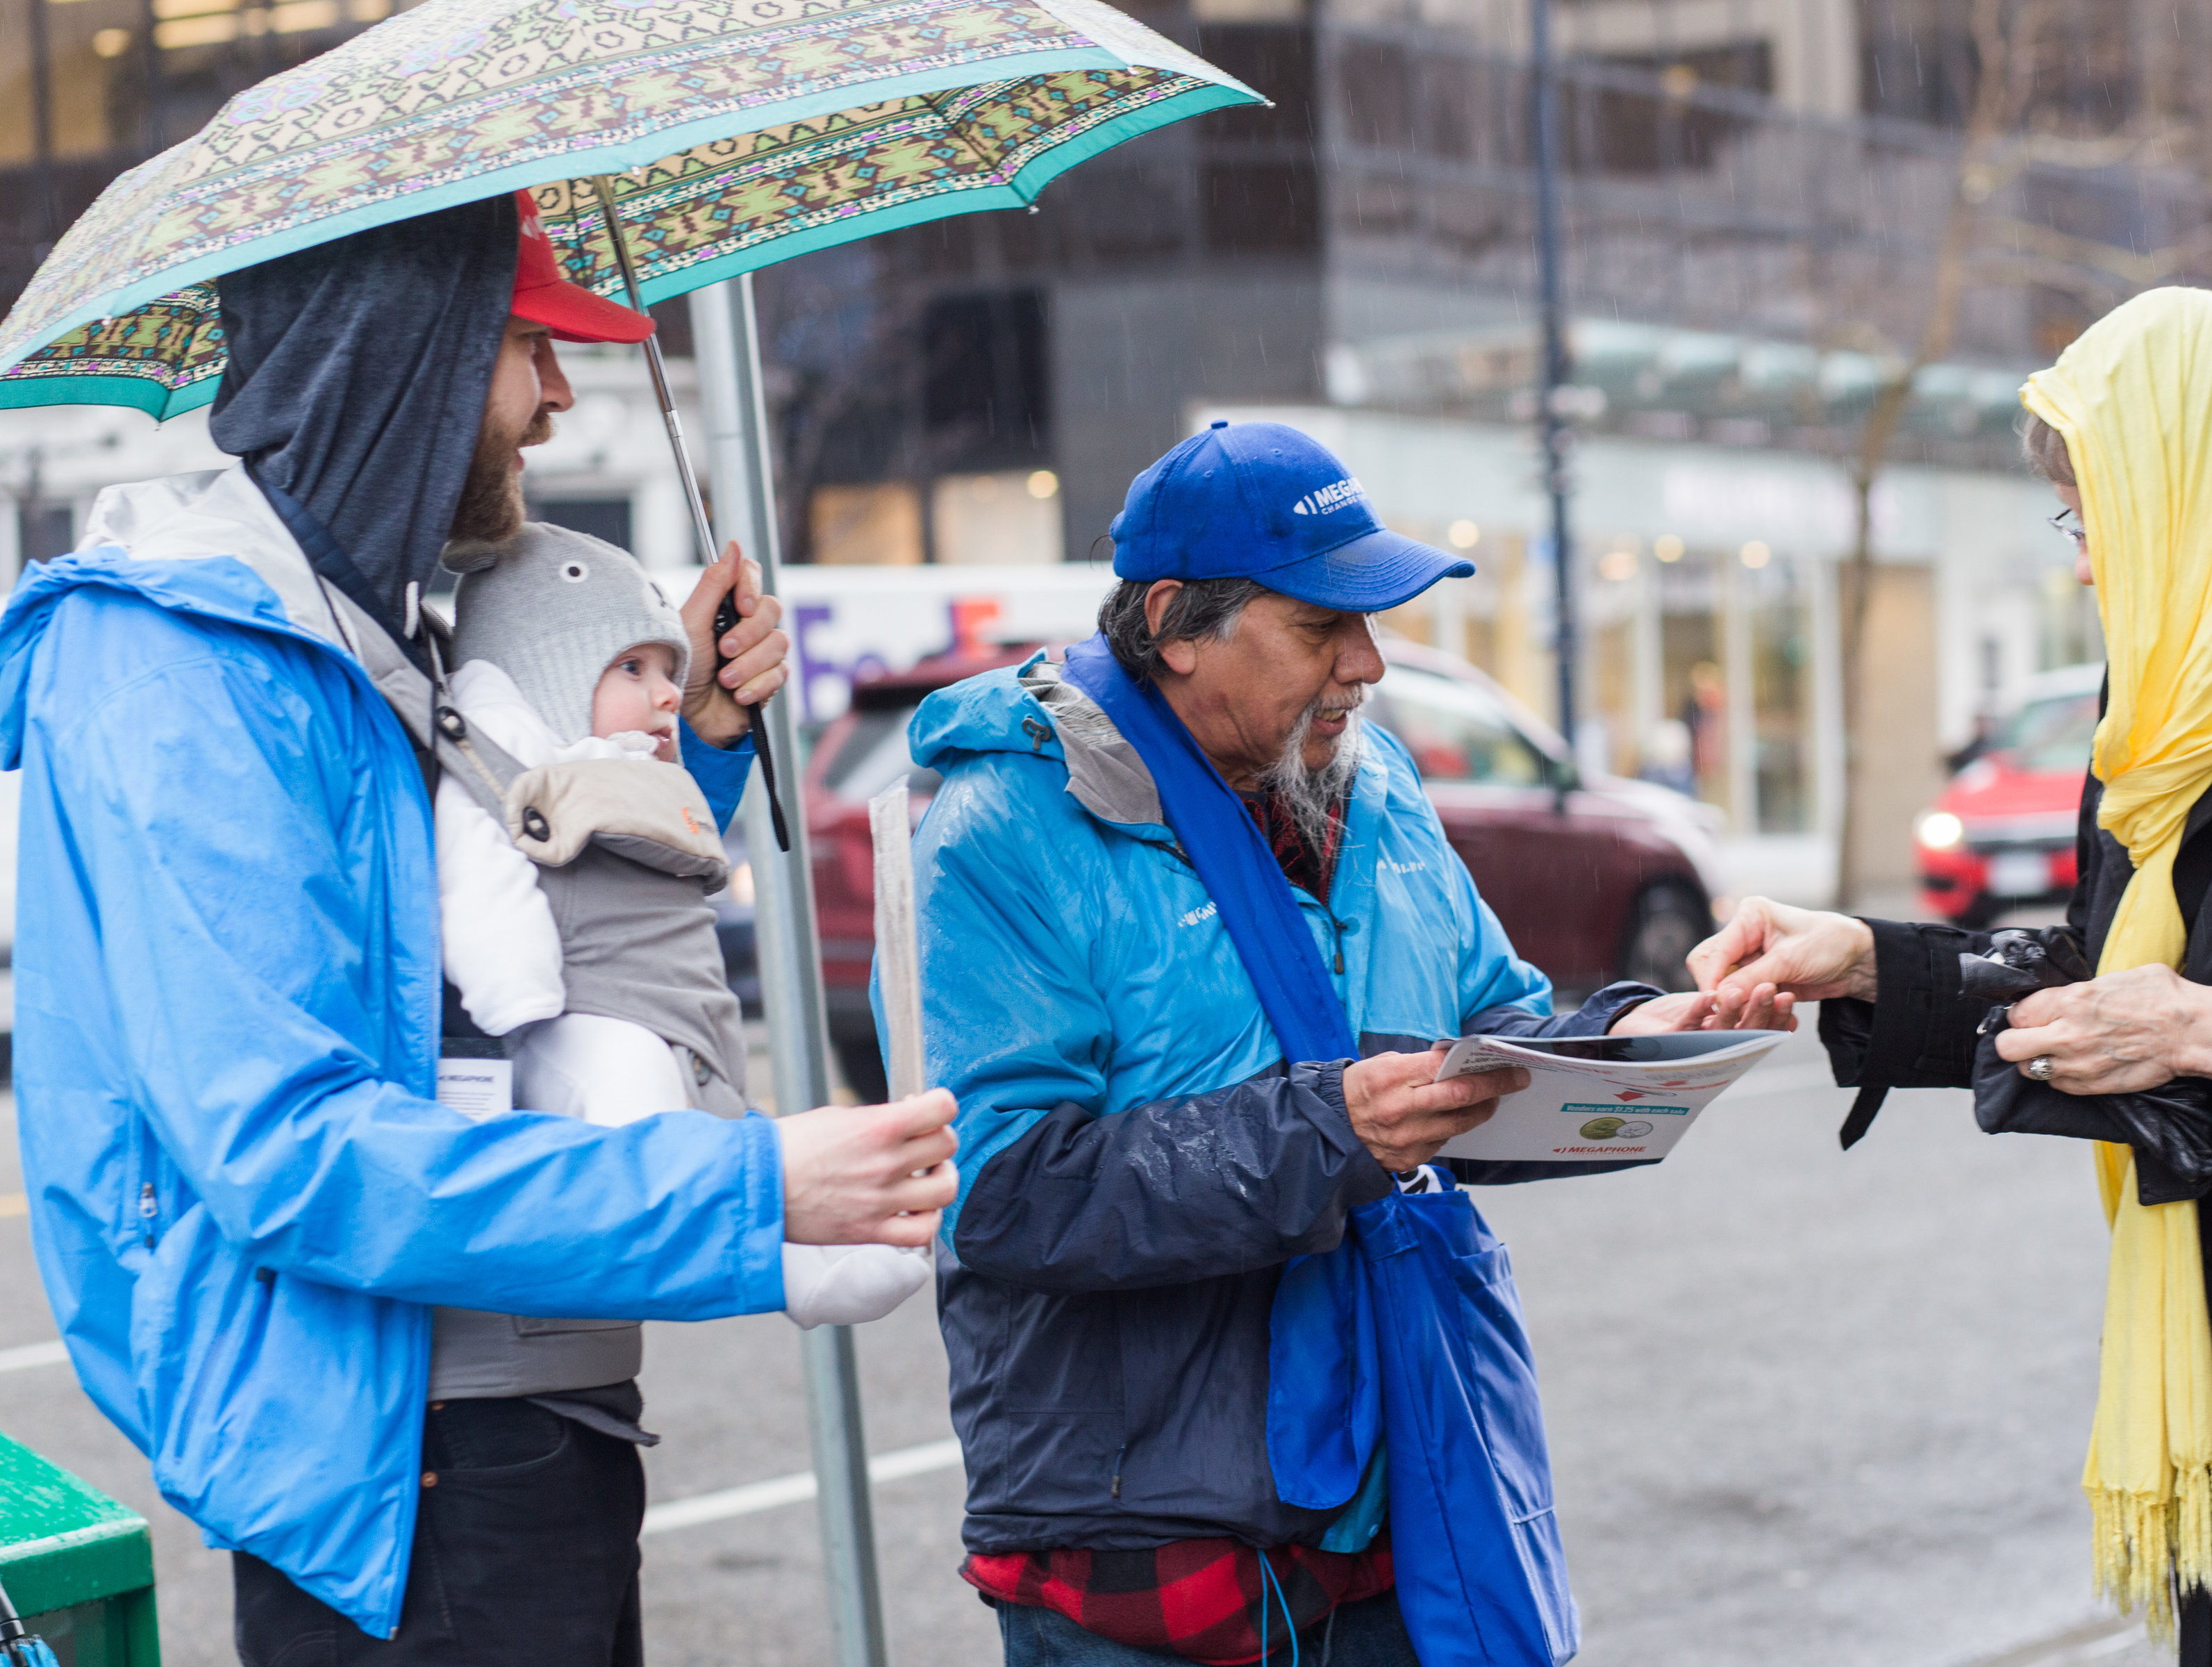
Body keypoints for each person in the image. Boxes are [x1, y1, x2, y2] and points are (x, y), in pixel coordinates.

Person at [0, 190, 956, 1665]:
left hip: (500, 1420)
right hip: (399, 1467)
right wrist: (746, 1191)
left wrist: (688, 740)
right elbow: (292, 1153)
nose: (560, 403)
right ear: (404, 359)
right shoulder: (188, 666)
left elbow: (484, 965)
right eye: (529, 350)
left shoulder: (351, 629)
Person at [1684, 288, 2212, 1664]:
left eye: (2100, 513)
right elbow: (2102, 975)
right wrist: (1874, 964)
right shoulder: (2193, 696)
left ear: (2209, 483)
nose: (2084, 566)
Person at [899, 420, 1786, 1666]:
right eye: (1323, 627)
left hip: (1393, 1501)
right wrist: (1334, 1131)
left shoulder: (1379, 791)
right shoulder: (1004, 830)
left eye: (1370, 624)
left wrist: (1636, 1037)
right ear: (1173, 624)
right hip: (1148, 1549)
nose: (1367, 664)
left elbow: (1489, 1036)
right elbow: (997, 1192)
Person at [431, 520, 931, 1334]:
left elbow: (647, 864)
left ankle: (819, 1262)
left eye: (669, 667)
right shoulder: (499, 769)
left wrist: (702, 733)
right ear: (547, 673)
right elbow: (481, 879)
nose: (667, 690)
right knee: (659, 1140)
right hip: (590, 1037)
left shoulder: (627, 771)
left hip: (689, 1032)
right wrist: (512, 988)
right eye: (633, 667)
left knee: (725, 1135)